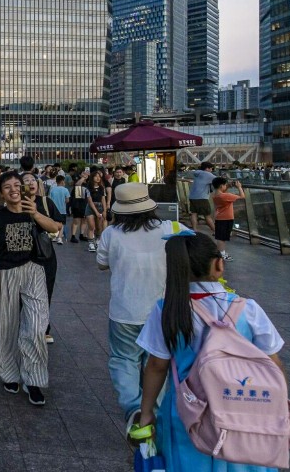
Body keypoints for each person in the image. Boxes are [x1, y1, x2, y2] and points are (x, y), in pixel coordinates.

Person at [136, 233, 285, 471]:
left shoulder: (167, 310)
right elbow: (273, 364)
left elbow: (157, 366)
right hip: (242, 413)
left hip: (186, 415)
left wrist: (146, 412)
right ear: (218, 264)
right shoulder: (250, 309)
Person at [0, 171, 63, 406]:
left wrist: (35, 213)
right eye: (7, 187)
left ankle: (34, 379)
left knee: (37, 326)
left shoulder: (33, 210)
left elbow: (55, 228)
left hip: (34, 270)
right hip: (4, 273)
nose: (13, 190)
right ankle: (9, 373)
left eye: (16, 185)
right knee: (7, 326)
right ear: (1, 193)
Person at [95, 183, 169, 435]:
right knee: (157, 364)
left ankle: (133, 408)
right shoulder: (170, 229)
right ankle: (153, 413)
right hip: (161, 310)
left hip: (124, 310)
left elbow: (101, 264)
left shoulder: (111, 233)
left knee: (124, 360)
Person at [21, 172, 60, 344]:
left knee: (45, 291)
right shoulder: (14, 204)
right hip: (21, 256)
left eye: (33, 180)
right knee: (21, 294)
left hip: (44, 254)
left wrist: (38, 215)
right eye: (25, 180)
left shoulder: (46, 202)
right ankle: (25, 326)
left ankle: (44, 328)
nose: (30, 183)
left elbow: (58, 225)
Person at [211, 177, 244, 262]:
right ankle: (222, 254)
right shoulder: (225, 196)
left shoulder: (215, 194)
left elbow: (222, 191)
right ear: (222, 186)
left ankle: (222, 252)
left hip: (219, 218)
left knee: (220, 237)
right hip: (226, 218)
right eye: (225, 185)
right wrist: (239, 187)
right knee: (222, 238)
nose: (226, 186)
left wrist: (228, 186)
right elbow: (242, 197)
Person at [188, 161, 217, 232]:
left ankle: (195, 230)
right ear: (207, 168)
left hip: (192, 196)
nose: (211, 170)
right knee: (207, 215)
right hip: (201, 197)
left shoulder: (197, 173)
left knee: (194, 213)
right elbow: (219, 180)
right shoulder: (207, 174)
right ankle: (215, 231)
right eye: (211, 169)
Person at [84, 169, 108, 252]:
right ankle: (91, 243)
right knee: (91, 226)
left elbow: (103, 199)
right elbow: (89, 201)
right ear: (92, 177)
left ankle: (98, 240)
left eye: (99, 176)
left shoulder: (102, 188)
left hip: (100, 207)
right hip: (91, 208)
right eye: (96, 176)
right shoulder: (88, 188)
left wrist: (104, 210)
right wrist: (96, 212)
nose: (98, 178)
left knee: (99, 227)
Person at [49, 174, 70, 244]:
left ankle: (54, 236)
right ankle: (60, 238)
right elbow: (67, 200)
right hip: (62, 210)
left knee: (54, 223)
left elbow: (50, 199)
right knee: (62, 224)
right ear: (62, 181)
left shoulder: (52, 189)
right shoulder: (65, 190)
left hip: (54, 210)